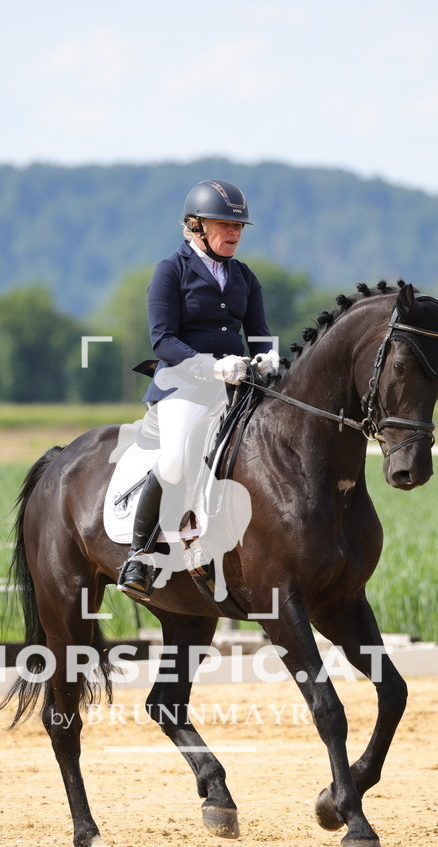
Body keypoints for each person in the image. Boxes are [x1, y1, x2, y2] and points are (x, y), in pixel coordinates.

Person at [116, 178, 280, 599]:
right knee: (174, 458)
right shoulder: (170, 271)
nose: (234, 232)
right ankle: (140, 554)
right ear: (196, 226)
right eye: (225, 224)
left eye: (239, 226)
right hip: (182, 388)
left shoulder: (244, 276)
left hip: (236, 386)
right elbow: (163, 340)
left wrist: (267, 356)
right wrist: (211, 366)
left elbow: (259, 333)